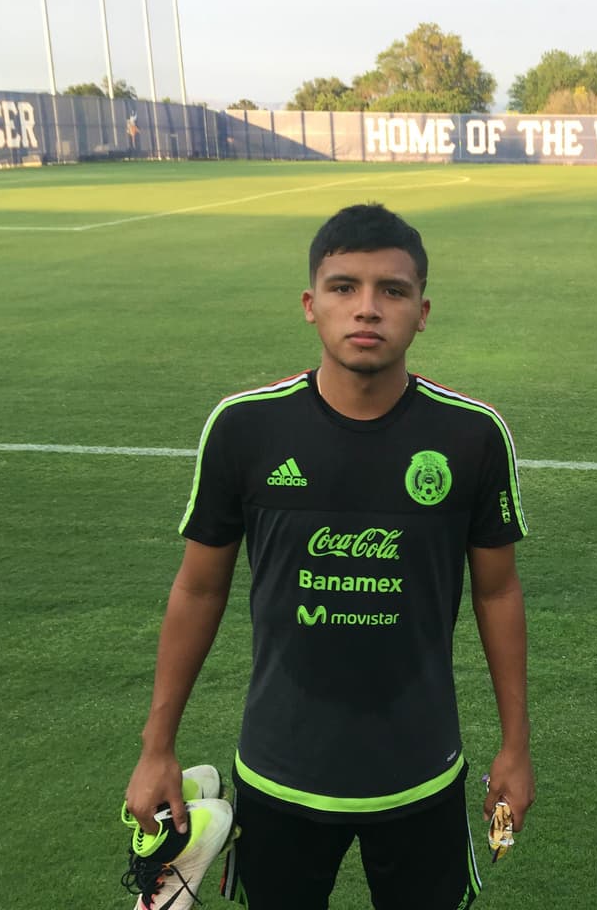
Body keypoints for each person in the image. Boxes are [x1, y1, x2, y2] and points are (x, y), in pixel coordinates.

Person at [124, 203, 535, 910]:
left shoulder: (471, 436)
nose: (367, 309)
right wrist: (156, 747)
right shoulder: (244, 428)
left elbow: (498, 594)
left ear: (423, 311)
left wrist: (516, 747)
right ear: (311, 305)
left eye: (392, 291)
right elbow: (198, 591)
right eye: (344, 288)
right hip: (280, 771)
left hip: (421, 772)